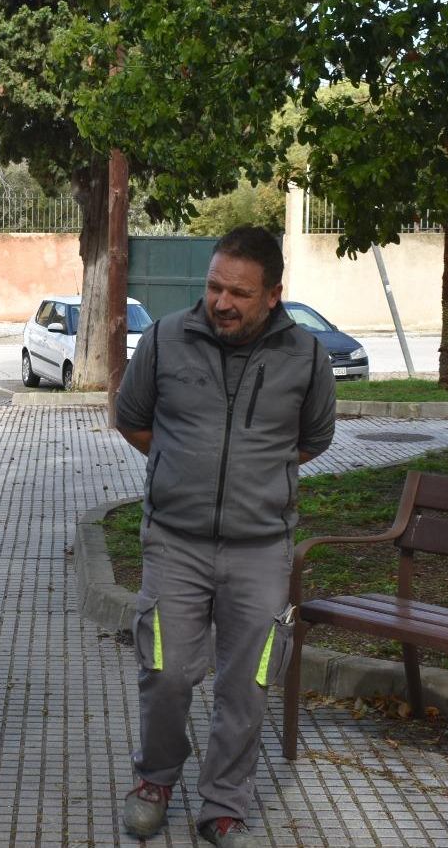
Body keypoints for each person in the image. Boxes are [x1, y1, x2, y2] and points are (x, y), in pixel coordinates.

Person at [115, 226, 336, 846]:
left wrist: (250, 478)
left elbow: (313, 440)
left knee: (249, 680)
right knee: (166, 671)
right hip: (175, 543)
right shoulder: (164, 339)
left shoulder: (307, 356)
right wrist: (182, 467)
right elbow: (131, 418)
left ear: (273, 295)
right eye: (214, 287)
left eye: (239, 292)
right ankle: (155, 779)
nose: (222, 303)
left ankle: (223, 803)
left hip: (262, 549)